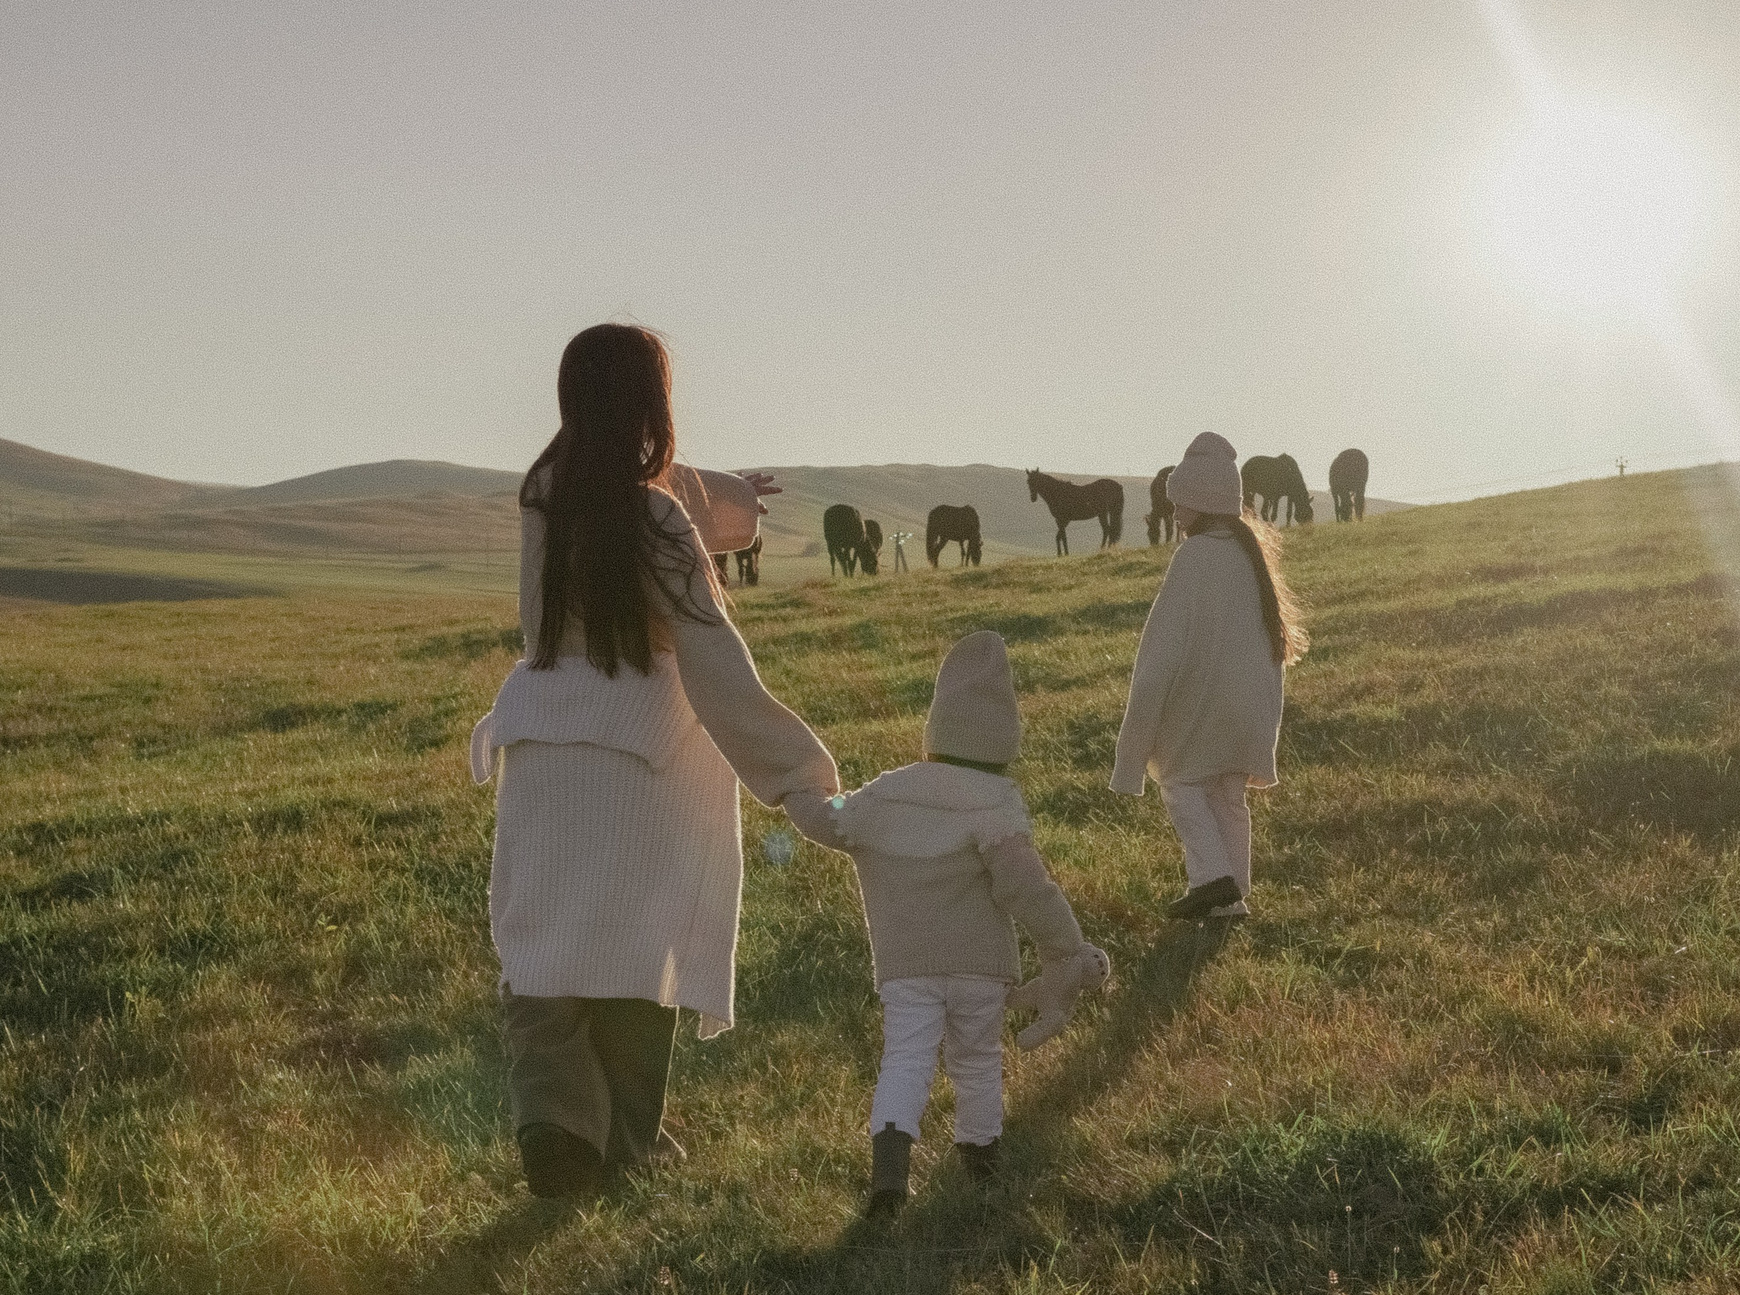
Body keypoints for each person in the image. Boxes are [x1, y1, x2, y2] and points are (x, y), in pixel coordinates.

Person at [469, 324, 838, 1198]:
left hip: (543, 749)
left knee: (546, 956)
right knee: (638, 956)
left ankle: (556, 1125)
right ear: (652, 403)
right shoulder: (656, 516)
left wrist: (730, 493)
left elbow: (631, 498)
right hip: (641, 761)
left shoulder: (543, 496)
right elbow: (714, 661)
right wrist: (801, 775)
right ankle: (627, 1142)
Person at [783, 631, 1108, 1219]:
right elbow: (1029, 890)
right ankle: (981, 1160)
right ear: (1004, 740)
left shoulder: (887, 794)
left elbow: (829, 822)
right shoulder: (997, 802)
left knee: (905, 1057)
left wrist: (796, 789)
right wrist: (1067, 949)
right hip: (982, 968)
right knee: (977, 1058)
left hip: (907, 967)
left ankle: (889, 1178)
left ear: (936, 730)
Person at [1109, 431, 1306, 921]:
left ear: (1201, 504)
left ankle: (1211, 880)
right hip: (1248, 710)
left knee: (1178, 782)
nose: (1175, 516)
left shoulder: (1194, 559)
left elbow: (1161, 650)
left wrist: (1136, 740)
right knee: (1226, 795)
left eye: (1182, 505)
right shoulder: (1251, 558)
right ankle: (1232, 898)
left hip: (1202, 709)